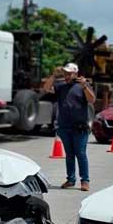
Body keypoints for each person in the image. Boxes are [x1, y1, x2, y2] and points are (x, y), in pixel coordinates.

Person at [40, 62, 95, 191]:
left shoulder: (82, 86)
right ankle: (70, 180)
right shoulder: (61, 86)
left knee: (80, 154)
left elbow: (92, 100)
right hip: (64, 127)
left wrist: (85, 86)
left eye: (69, 73)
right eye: (65, 73)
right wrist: (53, 75)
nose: (67, 75)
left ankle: (85, 181)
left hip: (80, 127)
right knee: (69, 155)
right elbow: (47, 88)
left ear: (75, 73)